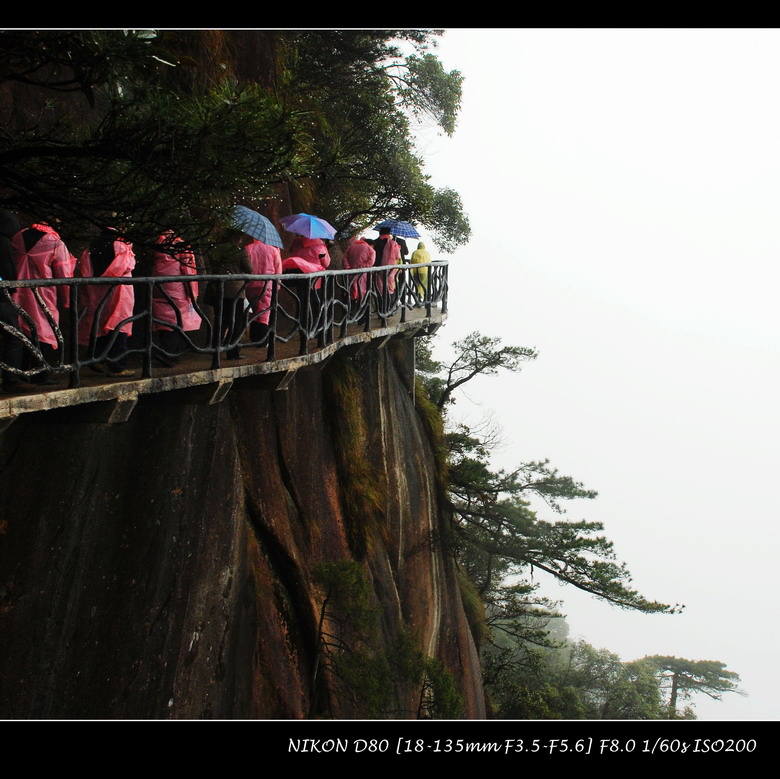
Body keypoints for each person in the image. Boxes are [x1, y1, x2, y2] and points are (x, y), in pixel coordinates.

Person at [12, 221, 73, 384]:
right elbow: (63, 274)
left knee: (22, 330)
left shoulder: (18, 237)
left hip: (17, 291)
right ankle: (41, 374)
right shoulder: (55, 242)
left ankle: (23, 372)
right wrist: (67, 300)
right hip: (42, 293)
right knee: (44, 330)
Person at [78, 228, 136, 377]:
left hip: (97, 291)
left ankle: (95, 357)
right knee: (119, 326)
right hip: (120, 291)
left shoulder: (91, 247)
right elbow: (126, 266)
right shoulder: (120, 247)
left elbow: (85, 272)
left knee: (100, 325)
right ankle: (118, 366)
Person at [151, 232, 201, 366]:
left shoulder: (157, 244)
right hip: (177, 289)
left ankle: (163, 351)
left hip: (159, 287)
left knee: (163, 321)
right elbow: (188, 270)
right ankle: (170, 355)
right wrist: (193, 292)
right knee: (176, 322)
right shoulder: (181, 246)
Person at [0, 210, 23, 391]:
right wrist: (11, 287)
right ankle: (11, 379)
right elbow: (8, 271)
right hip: (1, 297)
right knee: (14, 337)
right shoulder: (4, 243)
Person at [245, 236, 282, 345]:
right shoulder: (273, 250)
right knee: (264, 312)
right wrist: (277, 286)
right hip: (267, 285)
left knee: (252, 310)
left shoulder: (248, 248)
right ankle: (261, 340)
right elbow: (278, 269)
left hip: (250, 284)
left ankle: (253, 337)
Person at [342, 235, 375, 307]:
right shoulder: (370, 250)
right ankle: (361, 313)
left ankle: (350, 312)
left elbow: (344, 258)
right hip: (362, 274)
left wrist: (348, 268)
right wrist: (361, 268)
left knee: (351, 292)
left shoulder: (351, 247)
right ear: (371, 245)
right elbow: (370, 262)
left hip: (350, 273)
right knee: (362, 292)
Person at [373, 227, 401, 297]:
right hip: (389, 267)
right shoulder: (392, 243)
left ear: (380, 232)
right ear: (389, 233)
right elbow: (398, 256)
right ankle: (389, 304)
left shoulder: (375, 242)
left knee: (379, 287)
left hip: (376, 266)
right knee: (390, 286)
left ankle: (380, 304)